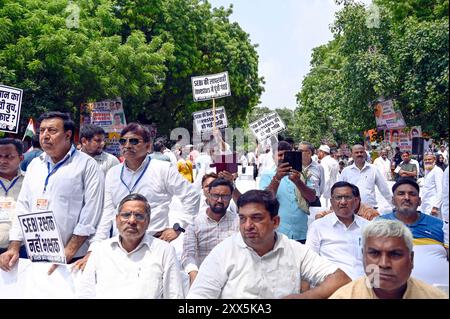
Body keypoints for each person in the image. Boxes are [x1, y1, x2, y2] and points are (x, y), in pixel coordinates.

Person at [74, 123, 200, 270]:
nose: (127, 145)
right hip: (119, 247)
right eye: (123, 141)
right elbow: (107, 214)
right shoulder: (113, 173)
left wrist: (178, 228)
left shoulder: (162, 169)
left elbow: (192, 196)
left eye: (134, 141)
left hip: (154, 245)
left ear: (148, 146)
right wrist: (93, 250)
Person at [187, 190, 351, 298]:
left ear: (275, 221)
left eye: (256, 218)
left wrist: (303, 297)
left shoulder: (293, 250)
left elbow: (341, 279)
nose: (248, 225)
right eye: (243, 218)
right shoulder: (224, 252)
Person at [0, 112, 104, 275]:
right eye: (42, 131)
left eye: (52, 131)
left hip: (72, 259)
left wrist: (69, 251)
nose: (45, 136)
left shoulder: (87, 166)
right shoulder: (35, 164)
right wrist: (14, 246)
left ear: (68, 135)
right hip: (34, 255)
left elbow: (92, 212)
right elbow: (23, 206)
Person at [77, 193, 185, 298]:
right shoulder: (100, 250)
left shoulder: (164, 251)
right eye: (126, 215)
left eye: (139, 216)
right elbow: (86, 293)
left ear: (147, 222)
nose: (132, 221)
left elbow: (174, 294)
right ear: (117, 219)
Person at [330, 219, 448, 299]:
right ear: (363, 257)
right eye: (374, 253)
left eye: (395, 254)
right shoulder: (344, 296)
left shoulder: (435, 296)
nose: (384, 264)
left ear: (411, 259)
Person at [379, 178, 449, 287]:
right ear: (393, 200)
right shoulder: (378, 224)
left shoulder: (440, 225)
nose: (407, 198)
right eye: (401, 194)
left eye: (412, 194)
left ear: (420, 201)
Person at [181, 178, 239, 286]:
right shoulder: (194, 223)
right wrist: (194, 275)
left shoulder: (238, 221)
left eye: (225, 196)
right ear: (208, 195)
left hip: (233, 279)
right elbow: (188, 255)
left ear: (231, 197)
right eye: (216, 195)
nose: (220, 200)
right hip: (203, 278)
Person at [306, 182, 369, 280]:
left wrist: (375, 286)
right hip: (331, 286)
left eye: (347, 197)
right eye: (338, 198)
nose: (343, 202)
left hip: (362, 285)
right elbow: (309, 260)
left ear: (356, 201)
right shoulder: (318, 226)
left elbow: (376, 261)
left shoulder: (368, 227)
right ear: (331, 202)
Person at [259, 141, 317, 243]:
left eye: (285, 155)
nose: (282, 158)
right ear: (273, 157)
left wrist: (298, 181)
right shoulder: (267, 174)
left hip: (300, 231)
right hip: (277, 232)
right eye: (279, 155)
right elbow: (265, 200)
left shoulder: (302, 173)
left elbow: (312, 198)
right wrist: (277, 178)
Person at [340, 144, 392, 209]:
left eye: (361, 152)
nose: (359, 154)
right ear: (352, 155)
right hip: (351, 209)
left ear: (365, 154)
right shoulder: (346, 171)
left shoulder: (373, 169)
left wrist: (394, 205)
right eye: (356, 152)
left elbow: (384, 188)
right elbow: (340, 190)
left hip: (370, 209)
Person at [0, 138, 25, 254]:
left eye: (8, 157)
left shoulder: (29, 181)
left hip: (21, 249)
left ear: (21, 158)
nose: (2, 161)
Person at [315, 183, 380, 221]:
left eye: (348, 197)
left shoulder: (370, 213)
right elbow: (320, 215)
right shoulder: (339, 208)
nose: (343, 202)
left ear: (357, 200)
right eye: (339, 197)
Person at [420, 152, 443, 217]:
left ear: (434, 160)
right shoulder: (427, 170)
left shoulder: (437, 171)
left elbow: (440, 190)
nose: (427, 161)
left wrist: (436, 206)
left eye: (429, 159)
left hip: (433, 206)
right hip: (425, 205)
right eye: (425, 160)